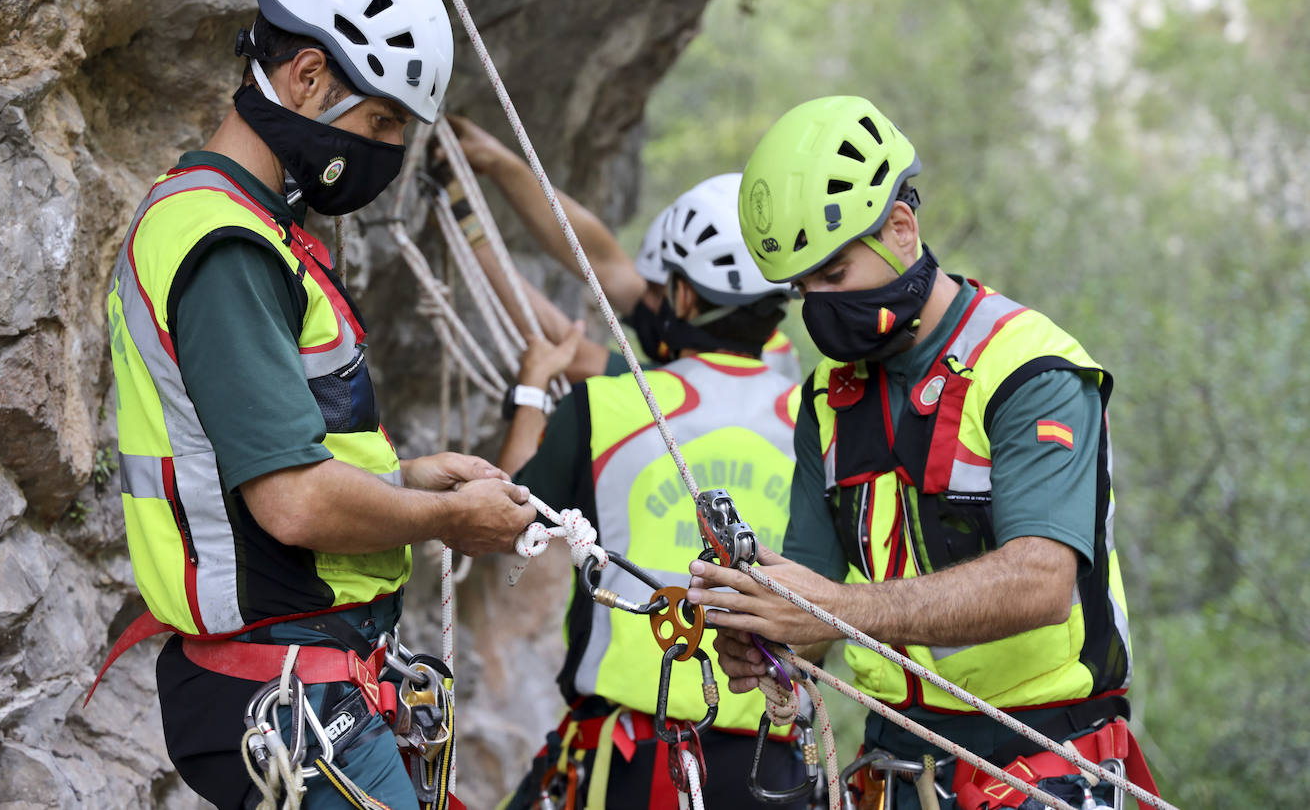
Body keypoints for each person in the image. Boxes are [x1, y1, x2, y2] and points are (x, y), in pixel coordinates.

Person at [103, 0, 537, 809]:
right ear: (307, 76)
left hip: (303, 674)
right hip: (285, 684)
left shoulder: (244, 229)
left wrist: (409, 474)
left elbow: (257, 452)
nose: (384, 150)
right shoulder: (224, 248)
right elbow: (293, 500)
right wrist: (447, 519)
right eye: (379, 121)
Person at [686, 96, 1162, 809]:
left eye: (834, 275)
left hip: (1039, 769)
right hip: (894, 772)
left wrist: (835, 609)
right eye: (801, 290)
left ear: (901, 231)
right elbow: (811, 596)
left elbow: (1040, 582)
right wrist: (766, 633)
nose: (818, 308)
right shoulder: (828, 400)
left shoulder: (1031, 372)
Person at [496, 176, 810, 809]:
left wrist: (532, 391)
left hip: (636, 764)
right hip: (771, 767)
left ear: (686, 297)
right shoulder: (820, 419)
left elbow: (506, 520)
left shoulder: (610, 404)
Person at [446, 116, 803, 383]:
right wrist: (496, 160)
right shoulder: (740, 322)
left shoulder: (705, 377)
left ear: (688, 298)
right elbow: (600, 260)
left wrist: (469, 231)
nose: (644, 297)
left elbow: (568, 353)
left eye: (658, 289)